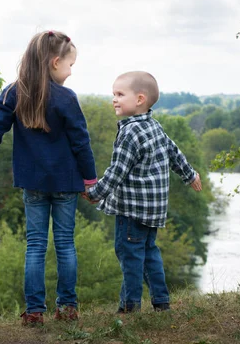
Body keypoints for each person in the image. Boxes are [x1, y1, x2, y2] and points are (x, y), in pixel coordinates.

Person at [0, 30, 97, 326]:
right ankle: (67, 307)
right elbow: (81, 143)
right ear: (55, 62)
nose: (70, 72)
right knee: (65, 244)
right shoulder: (67, 98)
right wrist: (91, 182)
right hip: (67, 183)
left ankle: (34, 311)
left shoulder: (14, 92)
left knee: (35, 245)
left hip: (33, 184)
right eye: (70, 65)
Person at [84, 71, 202, 313]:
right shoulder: (153, 125)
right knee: (149, 254)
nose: (114, 99)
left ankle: (130, 308)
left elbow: (117, 171)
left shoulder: (129, 133)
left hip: (132, 210)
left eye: (119, 94)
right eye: (113, 94)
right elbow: (174, 153)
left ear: (139, 99)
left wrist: (95, 193)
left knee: (130, 257)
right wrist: (190, 175)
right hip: (153, 211)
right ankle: (161, 302)